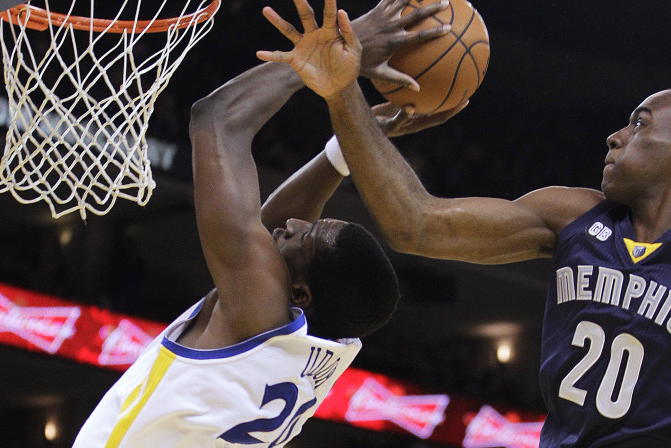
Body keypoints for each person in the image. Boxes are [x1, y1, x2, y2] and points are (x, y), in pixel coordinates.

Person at [257, 0, 671, 446]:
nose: (615, 136)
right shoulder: (572, 216)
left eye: (639, 124)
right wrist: (342, 91)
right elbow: (416, 224)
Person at [71, 1, 458, 445]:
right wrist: (347, 146)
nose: (294, 223)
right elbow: (267, 232)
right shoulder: (319, 354)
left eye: (307, 236)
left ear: (300, 293)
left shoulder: (256, 309)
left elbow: (216, 121)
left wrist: (325, 59)